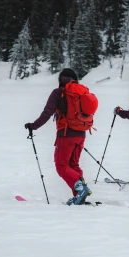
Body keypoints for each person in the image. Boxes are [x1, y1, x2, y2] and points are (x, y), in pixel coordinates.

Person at [25, 68, 92, 205]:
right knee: (73, 165)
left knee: (61, 165)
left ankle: (80, 188)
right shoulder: (81, 92)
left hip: (66, 134)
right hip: (81, 134)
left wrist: (33, 126)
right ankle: (80, 194)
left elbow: (47, 112)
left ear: (61, 79)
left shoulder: (59, 93)